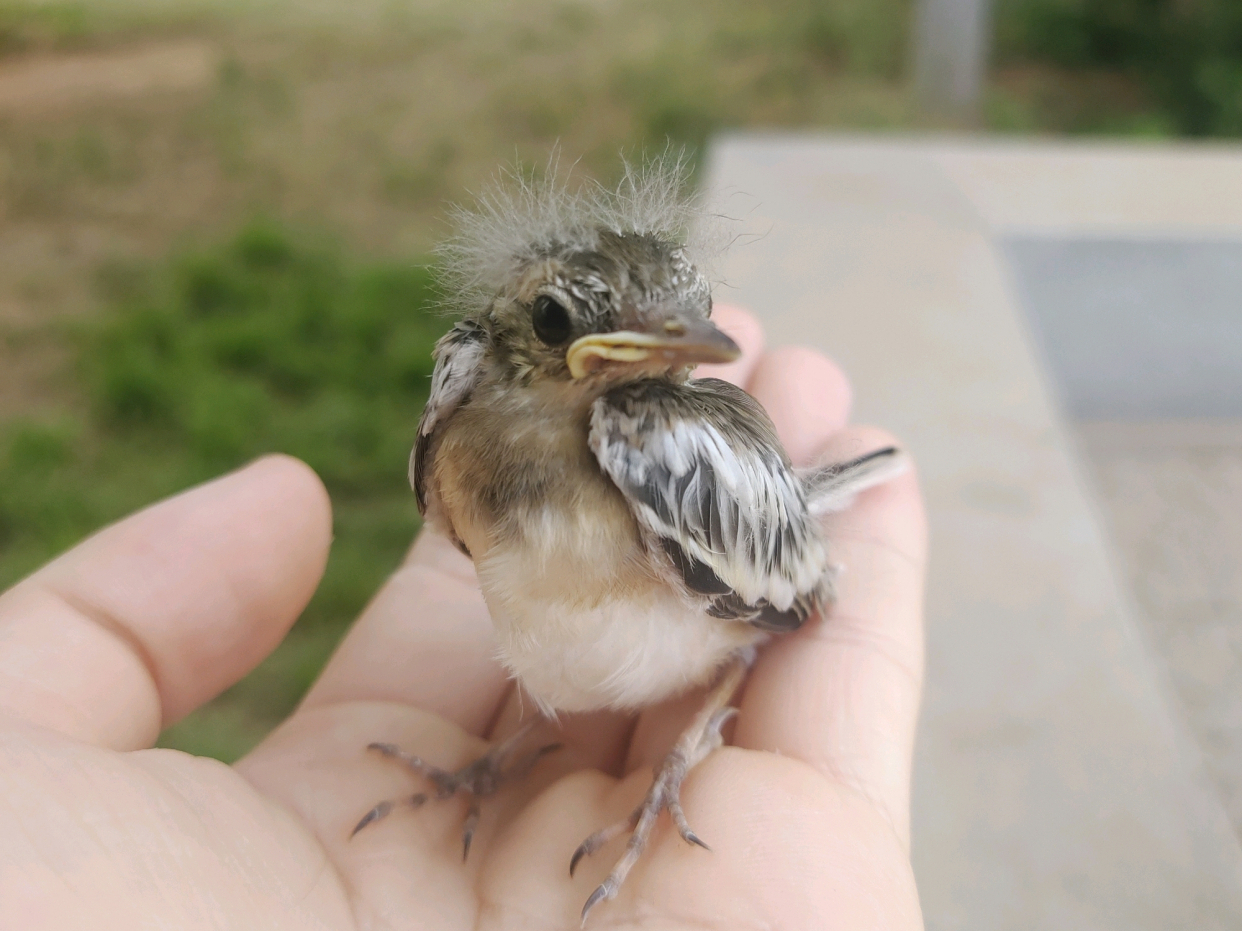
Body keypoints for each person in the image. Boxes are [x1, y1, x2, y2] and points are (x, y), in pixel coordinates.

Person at [0, 307, 926, 929]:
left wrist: (682, 755)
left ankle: (657, 752)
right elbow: (548, 634)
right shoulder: (467, 436)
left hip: (718, 613)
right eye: (566, 322)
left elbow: (769, 602)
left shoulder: (668, 461)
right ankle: (503, 758)